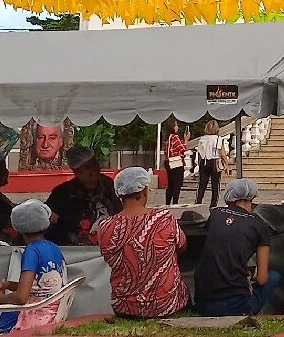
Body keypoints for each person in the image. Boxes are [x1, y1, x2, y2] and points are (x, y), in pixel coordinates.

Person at [97, 167, 190, 318]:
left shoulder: (105, 226)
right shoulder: (164, 218)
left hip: (125, 308)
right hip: (166, 305)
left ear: (119, 193)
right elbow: (182, 247)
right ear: (145, 190)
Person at [0, 200, 66, 336]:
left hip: (31, 317)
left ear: (16, 226)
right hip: (50, 313)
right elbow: (41, 286)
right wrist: (8, 285)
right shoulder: (53, 247)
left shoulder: (32, 251)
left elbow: (21, 298)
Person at [193, 179, 281, 316]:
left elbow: (221, 252)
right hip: (236, 306)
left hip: (202, 304)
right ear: (252, 198)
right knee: (274, 276)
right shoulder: (259, 225)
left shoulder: (215, 215)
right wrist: (254, 274)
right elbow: (262, 278)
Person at [46, 146, 121, 246]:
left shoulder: (108, 185)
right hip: (75, 252)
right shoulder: (63, 193)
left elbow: (120, 211)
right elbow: (47, 220)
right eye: (87, 167)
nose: (94, 169)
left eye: (95, 163)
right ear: (77, 172)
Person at [194, 121, 229, 208]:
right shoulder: (218, 139)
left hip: (204, 161)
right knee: (215, 185)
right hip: (214, 162)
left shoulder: (202, 139)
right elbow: (223, 154)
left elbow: (199, 153)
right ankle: (213, 205)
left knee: (202, 184)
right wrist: (226, 165)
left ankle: (198, 202)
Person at [164, 121, 188, 206]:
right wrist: (186, 140)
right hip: (176, 162)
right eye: (176, 125)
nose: (177, 127)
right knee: (177, 183)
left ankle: (167, 202)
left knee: (170, 184)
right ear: (172, 127)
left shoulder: (167, 138)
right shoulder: (174, 137)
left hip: (168, 162)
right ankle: (175, 202)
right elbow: (182, 148)